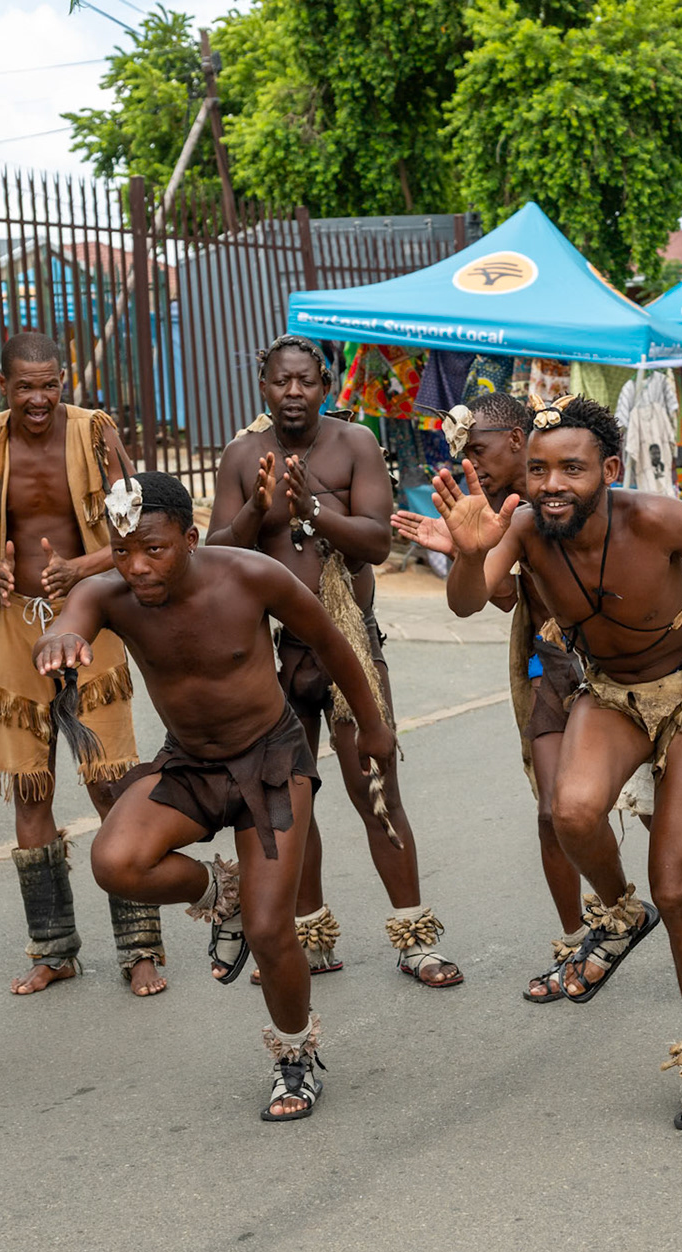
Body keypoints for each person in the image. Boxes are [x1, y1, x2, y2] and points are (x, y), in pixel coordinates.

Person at [440, 394, 682, 1129]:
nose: (552, 483)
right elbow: (470, 604)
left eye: (572, 468)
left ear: (610, 469)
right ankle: (621, 916)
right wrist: (468, 554)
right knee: (570, 810)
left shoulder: (653, 518)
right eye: (538, 469)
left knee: (678, 882)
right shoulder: (523, 526)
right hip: (611, 692)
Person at [33, 471, 396, 1120]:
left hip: (272, 763)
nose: (137, 566)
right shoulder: (111, 593)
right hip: (191, 766)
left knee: (268, 930)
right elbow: (76, 609)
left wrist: (373, 726)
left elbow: (333, 643)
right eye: (122, 551)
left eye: (154, 549)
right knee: (115, 862)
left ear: (191, 538)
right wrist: (62, 634)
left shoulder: (250, 575)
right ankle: (217, 893)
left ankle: (294, 1054)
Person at [208, 334, 460, 989]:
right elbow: (215, 554)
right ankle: (312, 935)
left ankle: (416, 940)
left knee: (375, 788)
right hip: (275, 656)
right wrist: (258, 514)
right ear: (262, 386)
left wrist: (314, 510)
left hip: (349, 645)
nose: (293, 393)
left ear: (325, 386)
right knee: (289, 799)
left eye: (305, 382)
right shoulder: (242, 457)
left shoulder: (356, 446)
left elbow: (377, 543)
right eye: (280, 382)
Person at [0, 331, 167, 998]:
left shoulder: (96, 432)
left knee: (111, 783)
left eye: (50, 385)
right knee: (30, 788)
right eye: (25, 387)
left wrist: (82, 567)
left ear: (63, 381)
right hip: (16, 624)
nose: (39, 399)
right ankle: (54, 949)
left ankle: (141, 947)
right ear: (2, 386)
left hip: (91, 616)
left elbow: (136, 526)